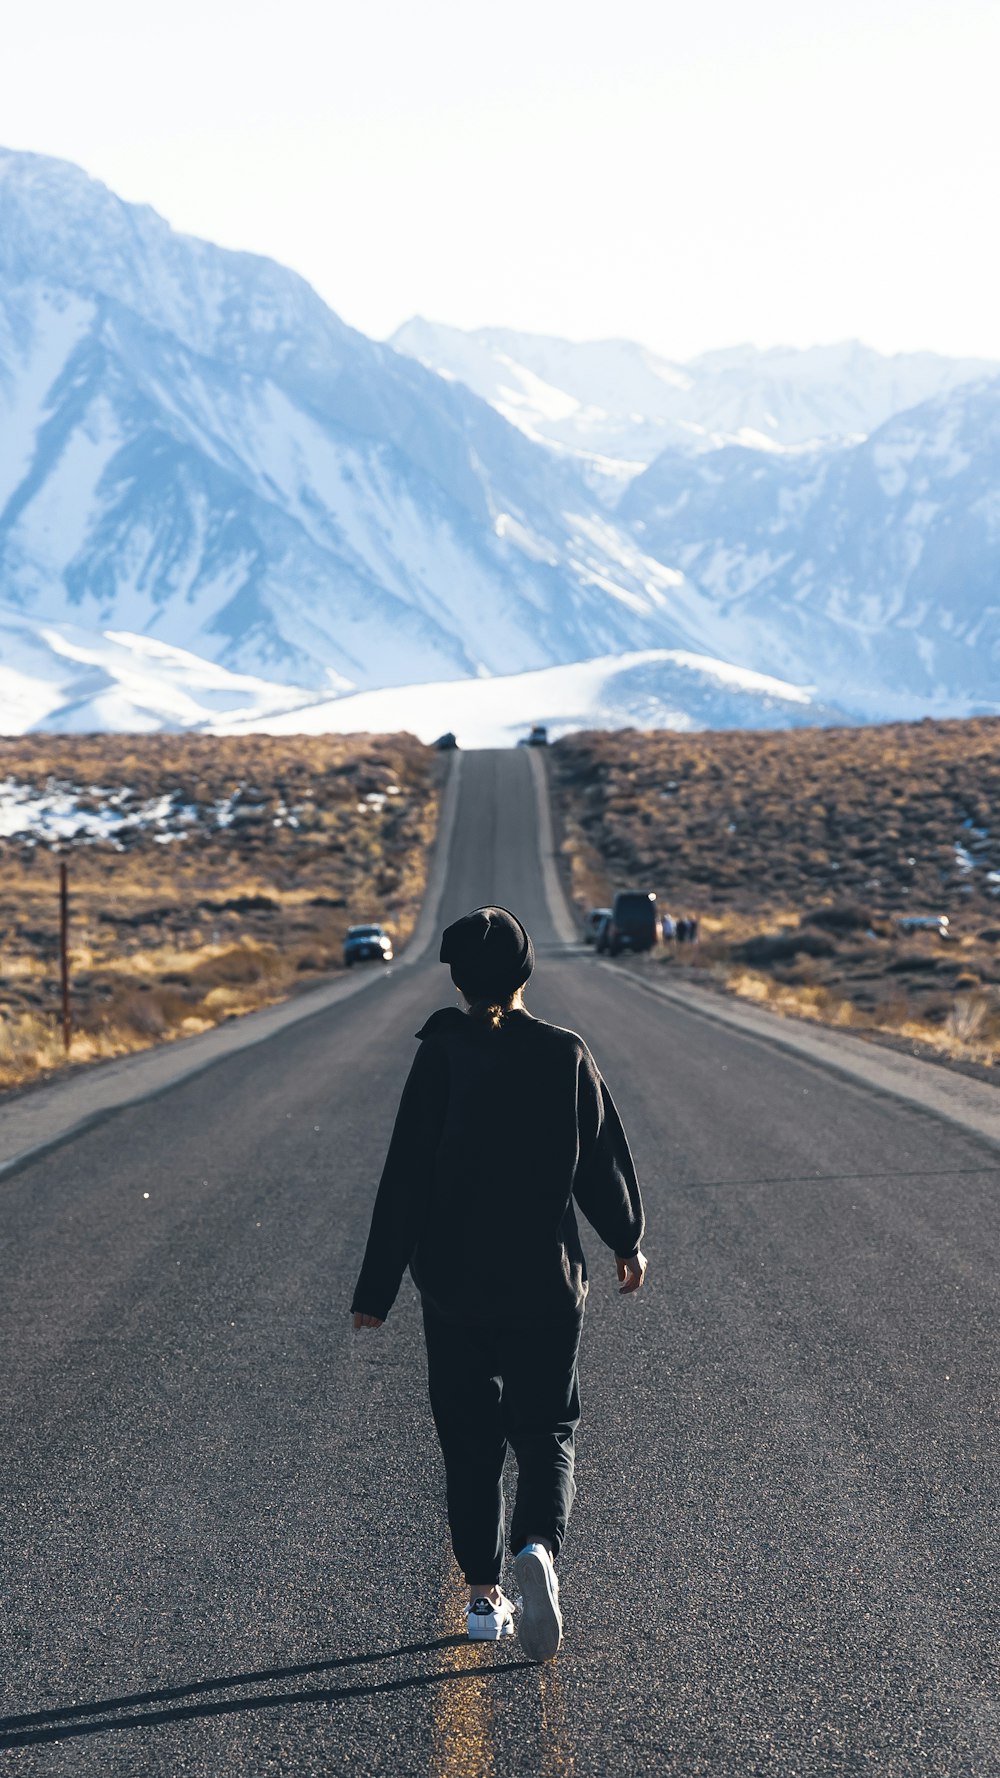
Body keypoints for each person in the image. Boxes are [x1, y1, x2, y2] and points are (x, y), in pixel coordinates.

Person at [351, 905, 647, 1662]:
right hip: (545, 1288)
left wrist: (376, 1291)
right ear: (525, 972)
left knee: (470, 1442)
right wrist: (626, 1241)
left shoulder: (441, 1056)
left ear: (456, 979)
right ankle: (539, 1551)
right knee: (545, 1429)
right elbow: (601, 1161)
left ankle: (484, 1600)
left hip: (454, 1291)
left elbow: (404, 1178)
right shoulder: (565, 1052)